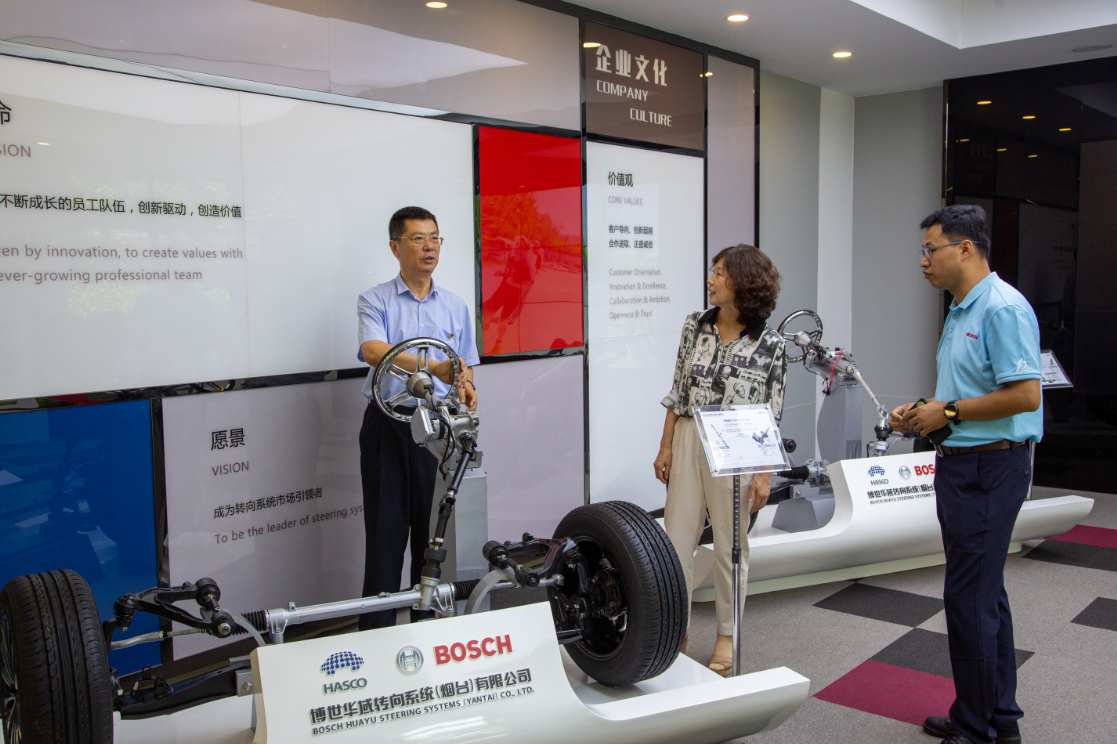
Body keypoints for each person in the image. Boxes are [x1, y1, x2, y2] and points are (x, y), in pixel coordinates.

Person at [890, 204, 1041, 744]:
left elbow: (1026, 395)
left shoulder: (1002, 309)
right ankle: (997, 718)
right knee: (983, 593)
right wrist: (924, 412)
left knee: (969, 598)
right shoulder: (960, 310)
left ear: (966, 248)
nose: (923, 260)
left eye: (931, 250)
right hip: (963, 464)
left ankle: (976, 729)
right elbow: (971, 393)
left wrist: (948, 412)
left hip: (990, 467)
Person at [653, 244, 786, 676]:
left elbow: (772, 413)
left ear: (744, 282)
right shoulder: (696, 325)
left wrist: (764, 475)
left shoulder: (771, 343)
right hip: (691, 433)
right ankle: (676, 630)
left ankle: (728, 635)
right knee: (677, 539)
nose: (711, 279)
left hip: (739, 444)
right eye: (713, 271)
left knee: (731, 545)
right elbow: (678, 389)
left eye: (721, 273)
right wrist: (666, 445)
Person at [356, 206, 479, 631]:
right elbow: (374, 351)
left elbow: (463, 365)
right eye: (418, 239)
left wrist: (465, 383)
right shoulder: (375, 299)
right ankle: (376, 635)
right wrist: (432, 366)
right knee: (385, 537)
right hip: (389, 426)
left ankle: (426, 631)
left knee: (433, 535)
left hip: (438, 430)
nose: (429, 247)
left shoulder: (455, 305)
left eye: (434, 238)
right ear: (395, 247)